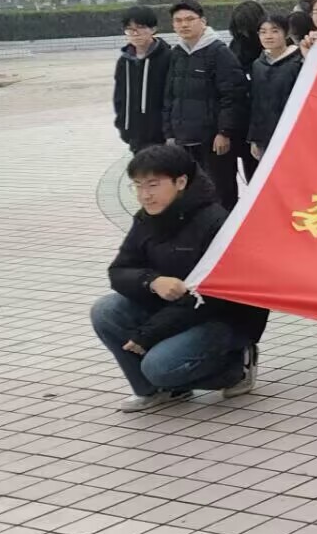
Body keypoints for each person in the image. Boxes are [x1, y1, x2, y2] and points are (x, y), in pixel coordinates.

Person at [91, 143, 268, 410]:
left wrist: (147, 335)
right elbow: (119, 271)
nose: (144, 195)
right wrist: (152, 281)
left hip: (220, 318)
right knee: (106, 310)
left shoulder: (215, 223)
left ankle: (235, 368)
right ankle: (154, 391)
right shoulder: (146, 218)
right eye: (137, 186)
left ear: (181, 182)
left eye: (153, 185)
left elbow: (211, 298)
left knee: (159, 366)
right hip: (172, 309)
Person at [161, 0, 249, 209]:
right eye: (178, 20)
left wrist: (224, 132)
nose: (184, 24)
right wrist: (169, 133)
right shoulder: (177, 54)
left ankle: (226, 228)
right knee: (192, 192)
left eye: (190, 19)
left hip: (212, 141)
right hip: (184, 139)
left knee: (221, 191)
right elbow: (170, 96)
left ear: (203, 21)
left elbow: (233, 95)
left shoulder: (218, 52)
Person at [115, 5, 177, 151]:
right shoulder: (125, 61)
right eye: (129, 29)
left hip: (162, 136)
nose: (135, 33)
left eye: (141, 27)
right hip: (135, 135)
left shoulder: (168, 57)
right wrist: (123, 126)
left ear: (153, 29)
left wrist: (170, 132)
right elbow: (119, 97)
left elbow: (173, 97)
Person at [247, 12, 303, 161]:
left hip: (294, 134)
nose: (268, 36)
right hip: (266, 136)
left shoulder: (299, 62)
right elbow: (256, 103)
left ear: (286, 33)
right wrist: (255, 138)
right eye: (263, 32)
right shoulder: (258, 65)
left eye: (275, 31)